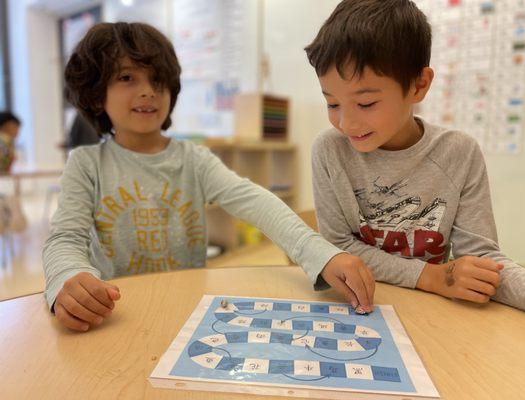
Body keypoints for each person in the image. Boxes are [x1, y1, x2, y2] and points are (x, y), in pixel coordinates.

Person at [43, 22, 375, 332]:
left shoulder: (195, 159)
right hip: (118, 316)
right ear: (96, 93)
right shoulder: (86, 164)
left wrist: (320, 252)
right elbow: (65, 239)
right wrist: (68, 277)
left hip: (188, 313)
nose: (148, 92)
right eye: (127, 78)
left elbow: (255, 202)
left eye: (157, 79)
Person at [305, 0, 525, 314]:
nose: (346, 123)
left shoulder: (459, 153)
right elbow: (338, 247)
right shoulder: (329, 150)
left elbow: (482, 262)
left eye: (367, 103)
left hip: (431, 316)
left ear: (419, 85)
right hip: (356, 306)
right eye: (332, 104)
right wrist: (430, 276)